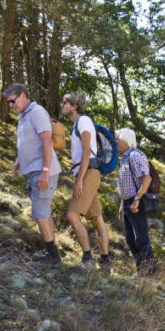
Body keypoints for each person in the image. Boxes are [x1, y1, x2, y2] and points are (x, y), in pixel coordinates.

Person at [4, 84, 62, 267]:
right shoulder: (23, 116)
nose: (11, 105)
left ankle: (52, 257)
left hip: (42, 171)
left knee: (40, 212)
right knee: (43, 212)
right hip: (32, 171)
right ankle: (53, 253)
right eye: (8, 103)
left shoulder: (36, 112)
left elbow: (47, 140)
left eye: (12, 101)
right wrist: (18, 161)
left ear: (22, 96)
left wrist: (45, 171)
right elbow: (27, 143)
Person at [61, 93, 110, 270]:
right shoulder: (78, 124)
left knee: (72, 215)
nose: (62, 105)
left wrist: (80, 179)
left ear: (74, 106)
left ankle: (88, 260)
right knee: (97, 219)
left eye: (65, 102)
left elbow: (87, 152)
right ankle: (105, 262)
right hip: (88, 172)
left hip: (88, 173)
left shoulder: (83, 121)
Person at [115, 128, 157, 275]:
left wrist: (137, 200)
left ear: (126, 141)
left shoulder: (135, 155)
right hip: (128, 202)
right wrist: (122, 205)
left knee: (141, 238)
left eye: (117, 139)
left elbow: (147, 179)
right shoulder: (124, 158)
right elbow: (126, 184)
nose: (116, 142)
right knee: (130, 240)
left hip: (137, 201)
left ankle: (150, 271)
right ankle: (142, 271)